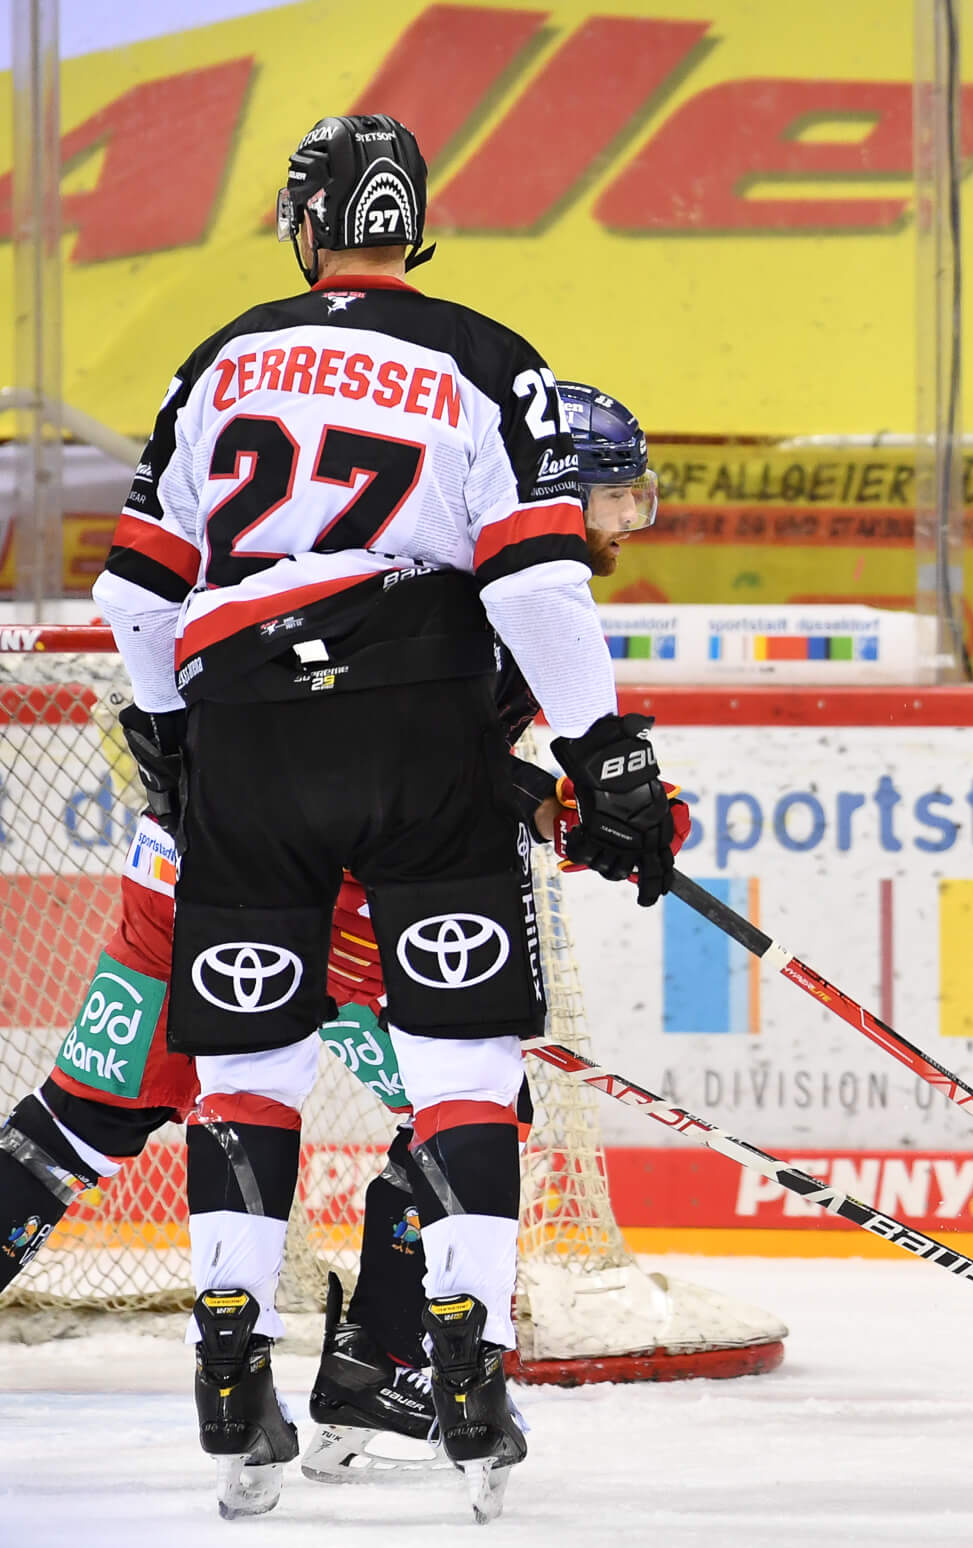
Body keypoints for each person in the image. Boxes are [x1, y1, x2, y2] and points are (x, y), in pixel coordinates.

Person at [89, 113, 677, 1521]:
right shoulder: (488, 352)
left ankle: (231, 1368)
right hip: (415, 721)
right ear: (414, 222)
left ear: (307, 226)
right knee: (466, 1070)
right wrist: (608, 762)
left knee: (247, 1079)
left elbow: (133, 589)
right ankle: (459, 1364)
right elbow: (537, 587)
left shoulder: (226, 351)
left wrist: (176, 738)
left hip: (238, 730)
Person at [0, 377, 669, 1483]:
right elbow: (401, 761)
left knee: (87, 1120)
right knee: (466, 1111)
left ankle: (339, 1361)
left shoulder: (359, 546)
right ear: (561, 493)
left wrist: (542, 804)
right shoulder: (508, 586)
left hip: (187, 876)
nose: (619, 531)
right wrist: (577, 800)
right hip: (333, 894)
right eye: (614, 503)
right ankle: (388, 1369)